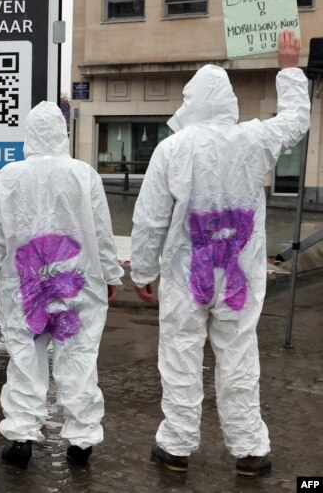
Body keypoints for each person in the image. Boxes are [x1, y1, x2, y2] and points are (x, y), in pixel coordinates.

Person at [131, 30, 309, 477]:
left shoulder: (171, 150)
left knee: (180, 354)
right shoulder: (253, 141)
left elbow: (150, 219)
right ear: (228, 103)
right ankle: (249, 450)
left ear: (191, 102)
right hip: (239, 276)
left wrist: (144, 273)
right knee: (238, 355)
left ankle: (176, 446)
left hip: (185, 274)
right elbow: (295, 121)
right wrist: (288, 67)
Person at [0, 101, 122, 469]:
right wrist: (110, 275)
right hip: (76, 286)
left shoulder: (7, 177)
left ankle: (21, 439)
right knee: (78, 359)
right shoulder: (83, 174)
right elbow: (102, 233)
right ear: (64, 133)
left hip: (23, 286)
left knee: (25, 360)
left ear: (28, 134)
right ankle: (80, 442)